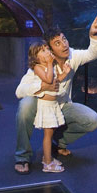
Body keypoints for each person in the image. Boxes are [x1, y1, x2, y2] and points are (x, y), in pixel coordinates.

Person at [14, 14, 97, 174]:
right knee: (25, 105)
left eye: (64, 39)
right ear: (50, 50)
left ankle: (58, 142)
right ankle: (23, 156)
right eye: (57, 43)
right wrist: (41, 86)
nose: (64, 45)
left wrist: (93, 35)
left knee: (92, 120)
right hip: (42, 106)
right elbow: (19, 91)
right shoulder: (40, 65)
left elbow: (93, 54)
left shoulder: (72, 55)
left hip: (62, 106)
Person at [27, 41, 70, 173]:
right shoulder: (38, 67)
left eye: (47, 49)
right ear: (36, 57)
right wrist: (51, 64)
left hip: (53, 105)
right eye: (43, 50)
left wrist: (65, 73)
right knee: (48, 135)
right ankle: (47, 163)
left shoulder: (50, 67)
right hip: (46, 106)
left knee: (50, 134)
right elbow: (48, 80)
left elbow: (57, 81)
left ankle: (48, 157)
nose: (47, 52)